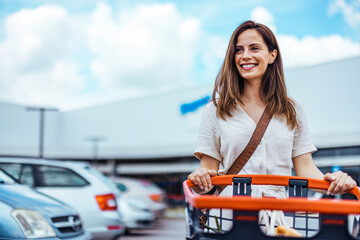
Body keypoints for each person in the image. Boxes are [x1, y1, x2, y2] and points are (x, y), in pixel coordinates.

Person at [187, 20, 356, 231]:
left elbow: (305, 168)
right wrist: (200, 178)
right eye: (239, 50)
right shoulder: (216, 110)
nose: (245, 55)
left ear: (272, 55)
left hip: (277, 219)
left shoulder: (291, 110)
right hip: (228, 216)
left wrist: (335, 180)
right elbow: (208, 176)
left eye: (254, 48)